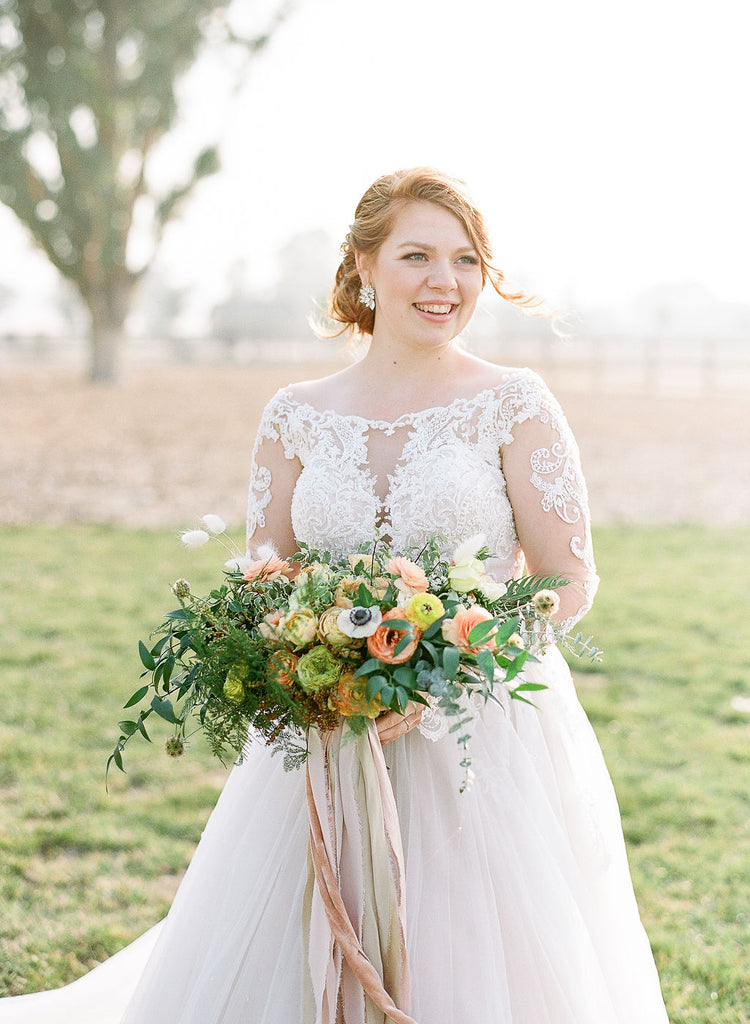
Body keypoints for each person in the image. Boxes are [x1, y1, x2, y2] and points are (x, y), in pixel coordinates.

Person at [0, 168, 670, 1024]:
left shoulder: (515, 404)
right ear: (362, 267)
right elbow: (262, 579)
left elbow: (567, 582)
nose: (445, 281)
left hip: (481, 737)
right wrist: (297, 659)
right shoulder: (296, 415)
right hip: (325, 734)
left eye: (466, 260)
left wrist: (449, 670)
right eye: (417, 255)